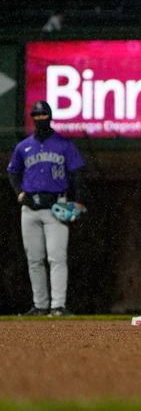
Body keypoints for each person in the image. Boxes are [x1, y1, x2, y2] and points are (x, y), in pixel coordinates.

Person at [7, 101, 87, 317]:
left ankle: (58, 306)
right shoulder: (23, 146)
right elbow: (13, 172)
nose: (40, 119)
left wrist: (79, 201)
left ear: (50, 116)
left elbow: (78, 173)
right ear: (33, 117)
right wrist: (20, 194)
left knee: (56, 257)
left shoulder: (64, 144)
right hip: (30, 207)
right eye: (37, 115)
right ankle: (40, 305)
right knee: (34, 258)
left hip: (56, 205)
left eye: (44, 115)